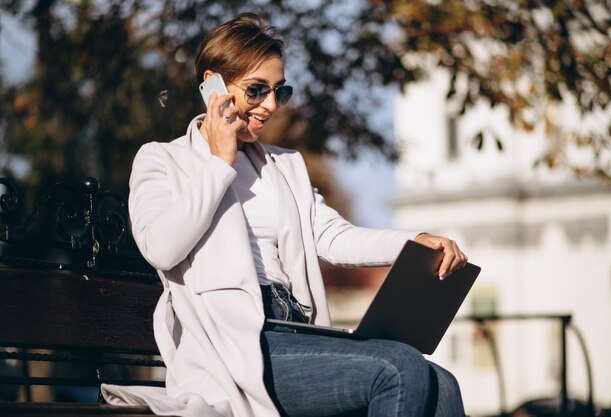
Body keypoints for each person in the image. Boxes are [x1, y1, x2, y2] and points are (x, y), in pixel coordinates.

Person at [105, 12, 469, 417]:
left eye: (281, 91)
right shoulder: (163, 160)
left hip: (297, 330)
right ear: (213, 86)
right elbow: (162, 247)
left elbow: (332, 236)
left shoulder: (284, 166)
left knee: (444, 385)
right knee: (398, 368)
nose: (271, 105)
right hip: (236, 346)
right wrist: (218, 163)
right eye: (257, 90)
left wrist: (411, 242)